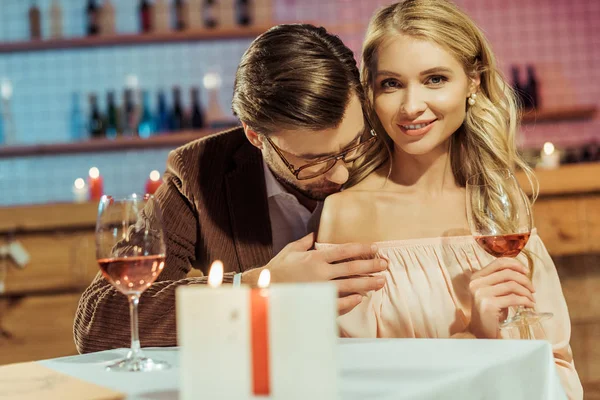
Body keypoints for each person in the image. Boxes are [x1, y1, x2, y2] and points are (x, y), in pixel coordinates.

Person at [316, 1, 583, 398]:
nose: (411, 106)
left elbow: (555, 366)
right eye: (391, 83)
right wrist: (475, 336)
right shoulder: (348, 213)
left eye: (435, 79)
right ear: (370, 92)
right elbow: (343, 380)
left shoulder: (499, 205)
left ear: (473, 81)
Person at [74, 24, 389, 354]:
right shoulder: (200, 173)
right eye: (312, 161)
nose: (341, 174)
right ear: (255, 136)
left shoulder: (393, 150)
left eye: (352, 146)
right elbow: (101, 320)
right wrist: (258, 288)